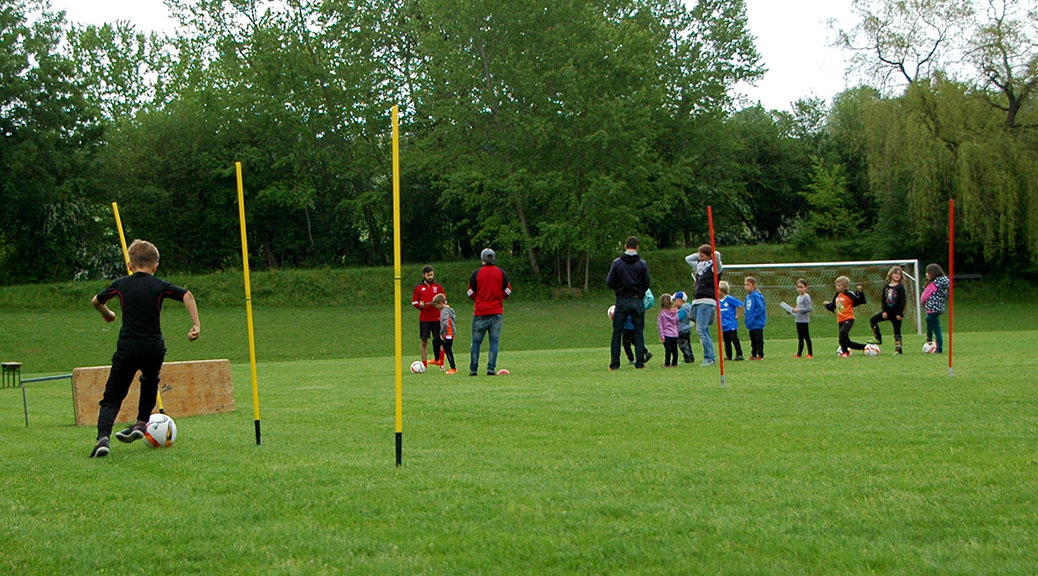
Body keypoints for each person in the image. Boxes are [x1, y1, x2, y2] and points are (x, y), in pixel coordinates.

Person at [88, 239, 200, 458]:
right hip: (153, 347)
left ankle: (103, 438)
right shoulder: (159, 285)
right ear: (155, 266)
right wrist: (196, 325)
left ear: (130, 265)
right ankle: (141, 423)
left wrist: (107, 313)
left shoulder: (121, 284)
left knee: (113, 395)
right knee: (150, 381)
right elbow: (187, 295)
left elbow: (96, 300)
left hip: (128, 347)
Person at [607, 236, 651, 370]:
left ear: (625, 246)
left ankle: (614, 364)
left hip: (621, 300)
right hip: (637, 300)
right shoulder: (642, 264)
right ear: (637, 247)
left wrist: (618, 290)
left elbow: (609, 282)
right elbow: (647, 283)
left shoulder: (617, 263)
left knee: (617, 333)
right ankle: (640, 363)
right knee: (638, 332)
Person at [468, 248, 512, 375]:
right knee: (494, 342)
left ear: (482, 260)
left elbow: (470, 292)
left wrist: (478, 299)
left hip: (480, 312)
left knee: (476, 342)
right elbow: (508, 290)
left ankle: (473, 369)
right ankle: (491, 368)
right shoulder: (501, 273)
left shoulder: (476, 273)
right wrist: (499, 298)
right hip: (496, 311)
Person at [685, 245, 722, 367]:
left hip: (707, 302)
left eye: (702, 256)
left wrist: (710, 253)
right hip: (697, 301)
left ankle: (709, 358)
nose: (699, 258)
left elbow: (717, 255)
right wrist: (700, 255)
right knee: (703, 330)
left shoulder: (714, 268)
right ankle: (710, 356)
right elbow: (688, 259)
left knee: (701, 329)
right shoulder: (700, 268)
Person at [824, 276, 867, 357]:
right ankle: (864, 347)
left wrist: (860, 292)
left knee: (842, 333)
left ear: (845, 286)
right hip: (840, 320)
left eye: (839, 286)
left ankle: (845, 352)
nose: (837, 287)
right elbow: (833, 306)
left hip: (848, 318)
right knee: (845, 341)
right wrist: (827, 305)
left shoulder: (849, 294)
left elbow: (860, 300)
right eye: (836, 285)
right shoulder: (837, 295)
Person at [411, 265, 445, 367]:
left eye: (432, 274)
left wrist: (438, 304)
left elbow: (444, 300)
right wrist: (419, 305)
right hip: (424, 319)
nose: (430, 277)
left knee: (440, 341)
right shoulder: (419, 288)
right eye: (428, 275)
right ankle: (424, 365)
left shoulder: (438, 287)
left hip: (437, 318)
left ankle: (441, 363)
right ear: (424, 275)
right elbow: (414, 302)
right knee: (424, 341)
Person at [869, 265, 907, 354]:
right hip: (887, 312)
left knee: (897, 332)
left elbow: (903, 301)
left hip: (896, 313)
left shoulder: (900, 287)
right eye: (895, 273)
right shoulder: (886, 287)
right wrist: (884, 311)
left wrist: (900, 313)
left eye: (899, 274)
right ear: (890, 275)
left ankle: (898, 349)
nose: (897, 276)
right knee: (873, 320)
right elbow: (883, 300)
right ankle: (878, 338)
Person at [614, 289, 655, 365]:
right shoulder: (635, 305)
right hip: (634, 327)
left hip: (627, 328)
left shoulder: (626, 305)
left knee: (626, 344)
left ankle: (631, 359)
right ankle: (646, 352)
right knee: (635, 341)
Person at [921, 263, 949, 353]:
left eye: (927, 273)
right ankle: (929, 336)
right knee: (928, 319)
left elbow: (925, 296)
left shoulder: (934, 284)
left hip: (932, 308)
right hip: (937, 308)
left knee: (936, 328)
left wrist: (923, 303)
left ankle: (939, 348)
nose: (926, 274)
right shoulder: (942, 282)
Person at [717, 281, 744, 361]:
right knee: (726, 340)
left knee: (734, 339)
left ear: (722, 290)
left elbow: (740, 305)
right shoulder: (718, 300)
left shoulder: (729, 299)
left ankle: (739, 354)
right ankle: (729, 356)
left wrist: (738, 315)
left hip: (731, 323)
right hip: (724, 324)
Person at [432, 294, 457, 374]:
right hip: (446, 333)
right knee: (435, 342)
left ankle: (453, 368)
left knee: (448, 350)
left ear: (441, 303)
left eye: (436, 306)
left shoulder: (445, 311)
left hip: (448, 333)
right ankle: (437, 359)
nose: (436, 308)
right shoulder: (447, 310)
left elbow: (445, 323)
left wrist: (442, 333)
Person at [743, 276, 767, 360]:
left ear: (753, 285)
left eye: (748, 285)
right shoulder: (747, 297)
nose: (746, 287)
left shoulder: (756, 296)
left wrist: (753, 317)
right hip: (751, 323)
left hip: (757, 323)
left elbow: (760, 308)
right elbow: (746, 308)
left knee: (758, 339)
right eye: (745, 285)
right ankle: (753, 354)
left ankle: (760, 355)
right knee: (753, 340)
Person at [792, 278, 813, 358]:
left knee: (806, 337)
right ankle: (799, 353)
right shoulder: (798, 297)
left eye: (801, 287)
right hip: (798, 319)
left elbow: (809, 308)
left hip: (804, 320)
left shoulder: (806, 297)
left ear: (806, 288)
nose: (799, 289)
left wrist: (799, 309)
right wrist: (793, 310)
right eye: (798, 287)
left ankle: (810, 353)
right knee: (800, 338)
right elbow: (798, 307)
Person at [656, 293, 679, 367]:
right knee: (675, 349)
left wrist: (661, 336)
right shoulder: (675, 312)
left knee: (668, 350)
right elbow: (677, 322)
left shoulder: (662, 313)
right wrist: (677, 332)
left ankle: (667, 363)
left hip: (666, 334)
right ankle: (675, 362)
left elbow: (660, 325)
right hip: (674, 334)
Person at [673, 291, 695, 364]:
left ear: (680, 300)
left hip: (682, 330)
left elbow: (677, 318)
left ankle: (688, 358)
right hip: (685, 329)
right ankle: (689, 357)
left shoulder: (683, 310)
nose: (674, 303)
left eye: (675, 300)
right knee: (686, 344)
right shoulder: (688, 308)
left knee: (684, 345)